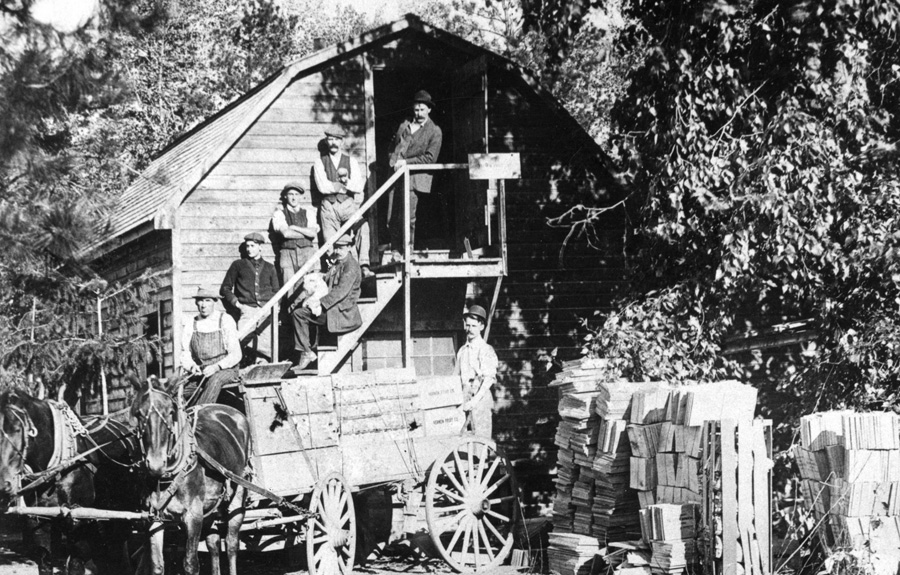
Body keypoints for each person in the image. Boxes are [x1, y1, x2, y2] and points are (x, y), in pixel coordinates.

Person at [290, 235, 362, 369]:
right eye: (335, 248)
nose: (337, 251)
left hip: (342, 312)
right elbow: (328, 282)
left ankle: (306, 352)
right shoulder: (338, 263)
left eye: (341, 248)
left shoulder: (351, 266)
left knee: (299, 314)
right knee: (299, 310)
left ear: (349, 247)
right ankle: (307, 350)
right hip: (333, 308)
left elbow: (341, 291)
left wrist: (319, 302)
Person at [388, 90, 443, 260]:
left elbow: (430, 158)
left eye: (422, 110)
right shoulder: (404, 126)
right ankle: (395, 250)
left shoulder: (434, 131)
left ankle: (407, 251)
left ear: (429, 110)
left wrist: (406, 163)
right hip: (397, 175)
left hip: (415, 178)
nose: (418, 113)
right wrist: (393, 160)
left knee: (408, 216)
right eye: (416, 109)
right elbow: (393, 146)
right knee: (392, 215)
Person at [313, 128, 372, 273]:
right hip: (328, 205)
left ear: (342, 141)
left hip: (347, 204)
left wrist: (341, 184)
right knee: (329, 240)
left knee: (362, 227)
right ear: (327, 142)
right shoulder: (320, 162)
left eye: (336, 139)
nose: (333, 143)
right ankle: (334, 270)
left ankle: (364, 265)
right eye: (330, 139)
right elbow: (322, 187)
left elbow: (358, 186)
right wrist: (343, 184)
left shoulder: (350, 161)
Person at [219, 232, 280, 362]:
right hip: (247, 309)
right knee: (243, 336)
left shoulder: (270, 267)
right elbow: (225, 288)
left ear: (260, 247)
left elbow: (276, 291)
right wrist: (238, 304)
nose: (249, 249)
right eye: (247, 246)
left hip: (267, 310)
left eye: (252, 246)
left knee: (267, 339)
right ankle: (253, 360)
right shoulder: (238, 265)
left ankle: (262, 362)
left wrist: (276, 306)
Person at [180, 287, 242, 404]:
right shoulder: (191, 323)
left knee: (215, 380)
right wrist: (192, 366)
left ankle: (199, 416)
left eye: (207, 300)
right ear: (196, 302)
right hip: (202, 371)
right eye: (200, 300)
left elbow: (236, 354)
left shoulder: (225, 320)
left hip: (226, 370)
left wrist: (216, 367)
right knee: (178, 390)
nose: (203, 305)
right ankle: (181, 419)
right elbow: (185, 352)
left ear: (214, 301)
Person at [456, 304, 498, 437]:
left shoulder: (485, 350)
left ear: (481, 326)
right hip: (465, 396)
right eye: (468, 325)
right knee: (463, 438)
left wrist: (474, 402)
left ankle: (482, 458)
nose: (470, 329)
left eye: (474, 326)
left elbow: (489, 379)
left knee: (480, 437)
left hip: (480, 397)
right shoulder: (462, 351)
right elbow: (456, 376)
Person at [271, 182, 319, 285]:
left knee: (309, 286)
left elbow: (313, 233)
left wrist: (294, 227)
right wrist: (306, 232)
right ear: (285, 196)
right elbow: (286, 234)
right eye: (291, 194)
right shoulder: (279, 214)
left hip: (307, 253)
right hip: (287, 254)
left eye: (296, 194)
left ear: (300, 197)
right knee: (289, 287)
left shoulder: (309, 212)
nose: (294, 198)